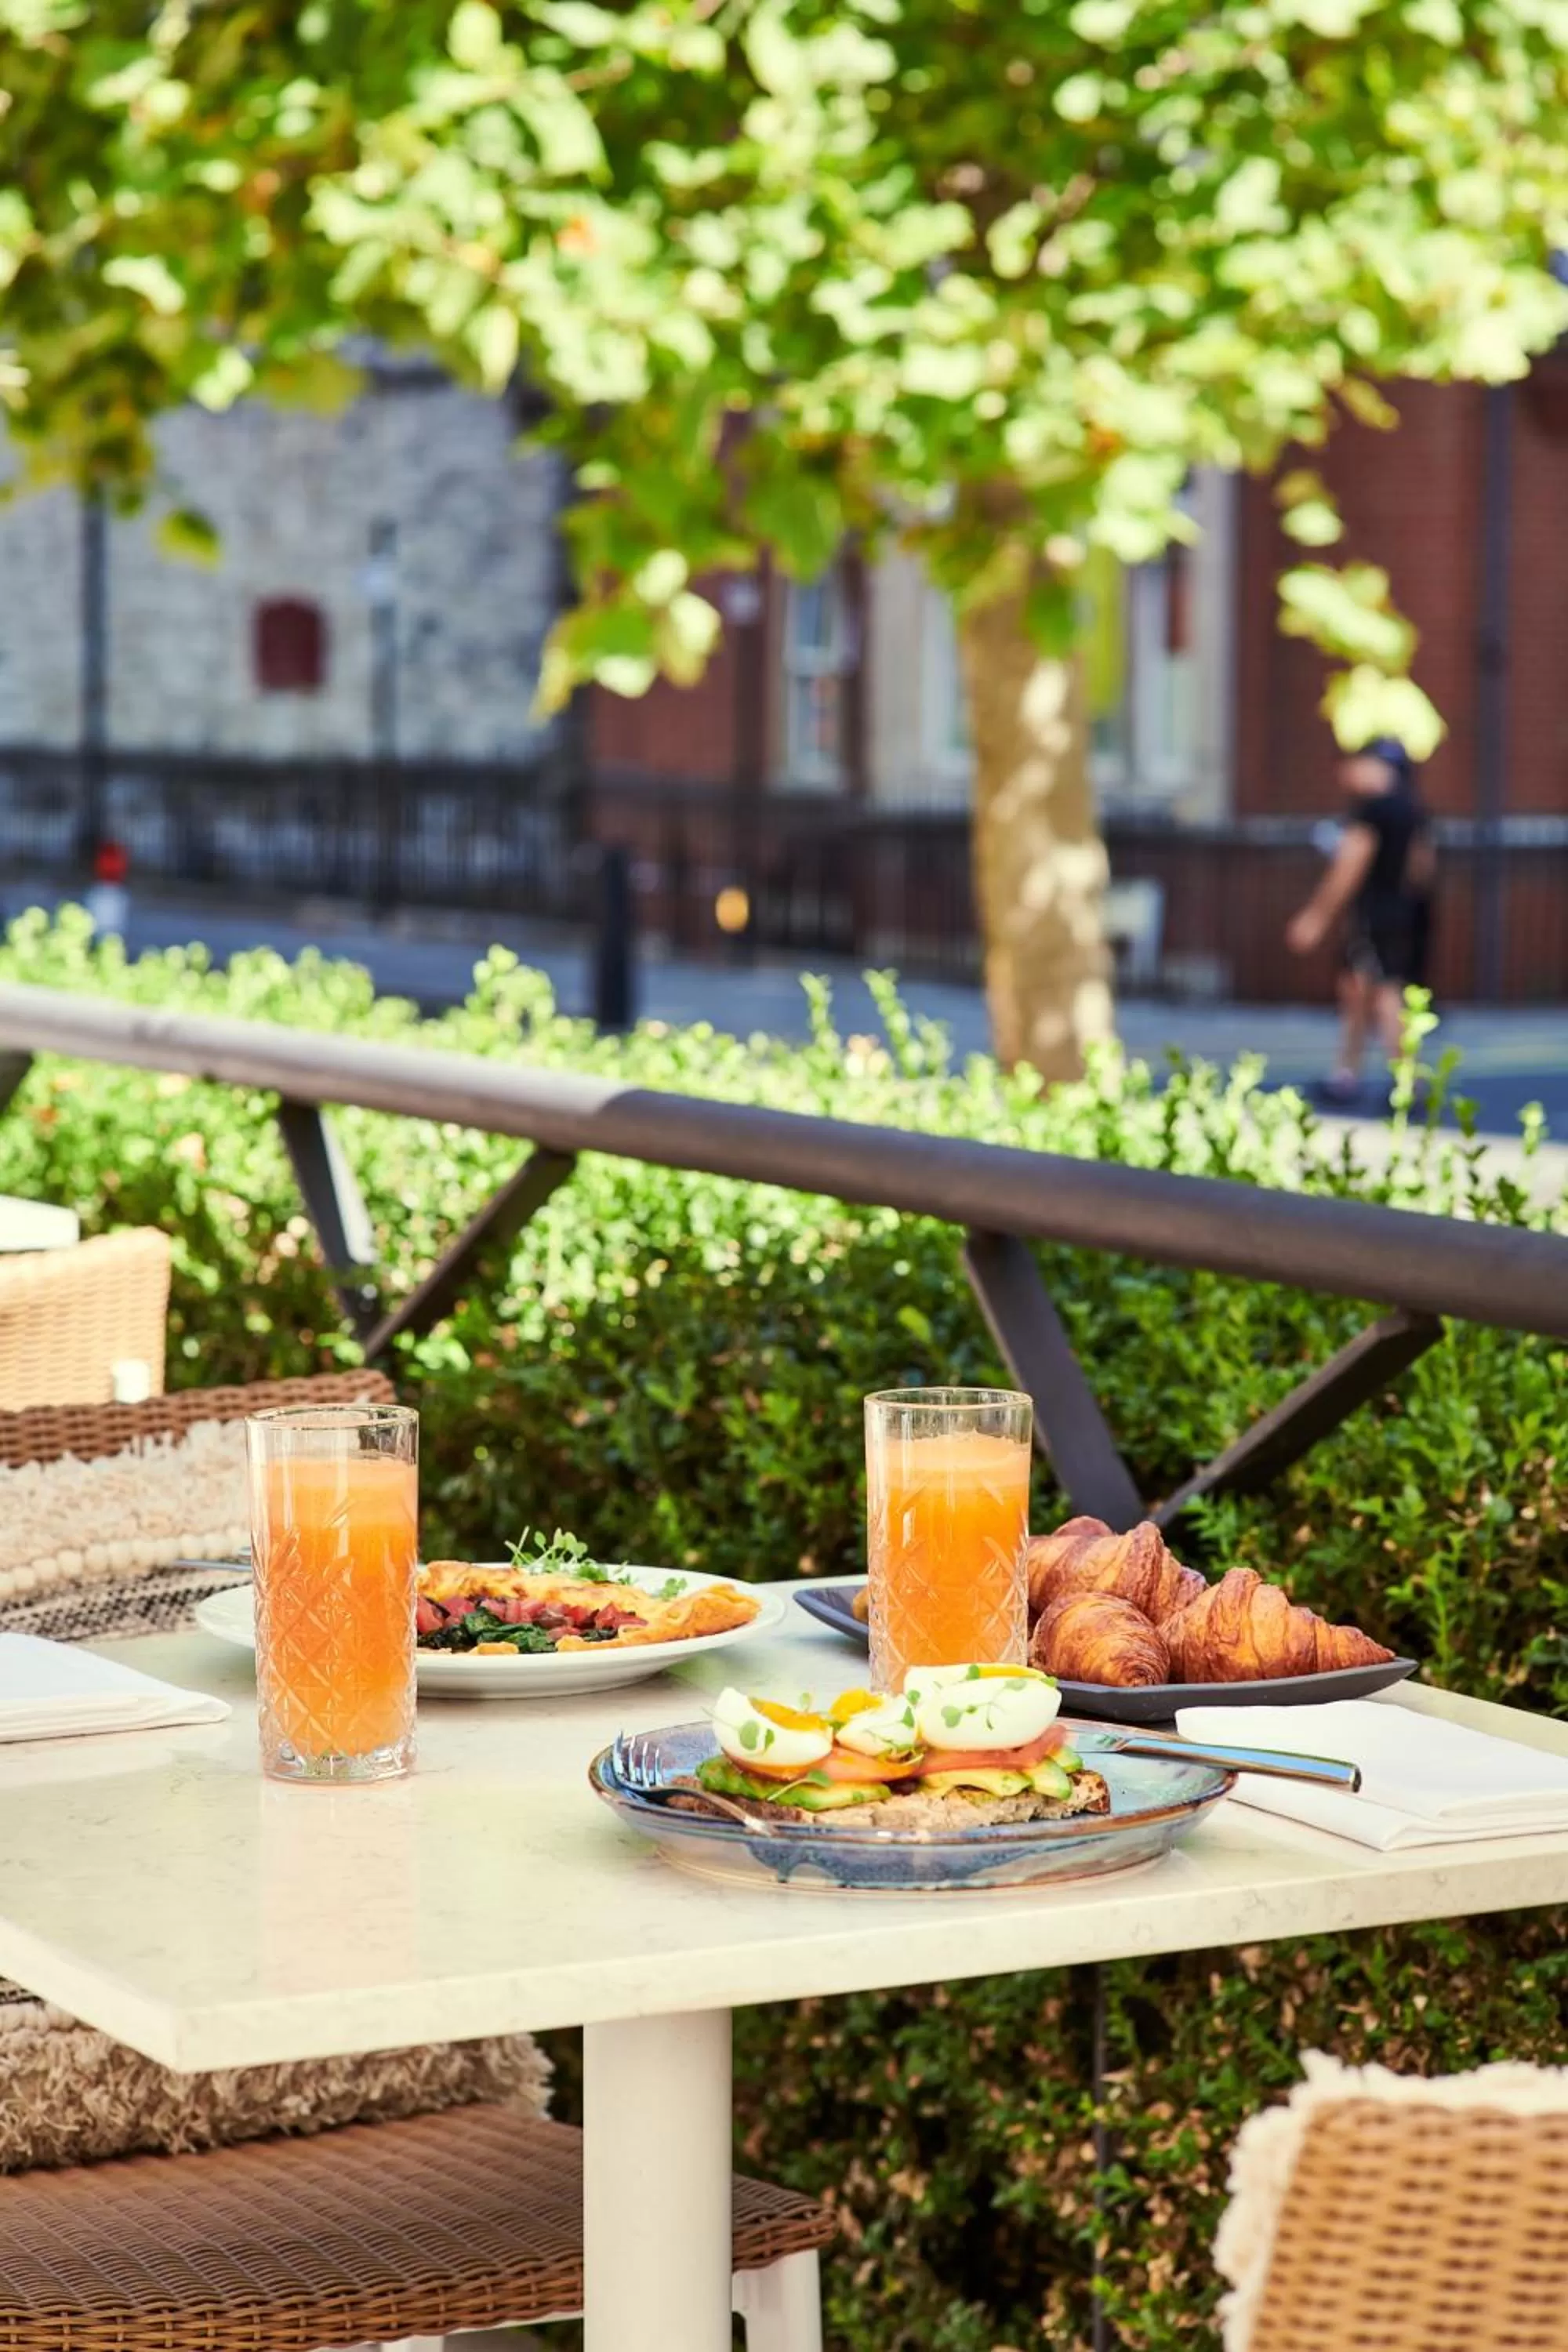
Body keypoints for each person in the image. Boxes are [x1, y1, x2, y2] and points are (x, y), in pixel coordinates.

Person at [1285, 738, 1435, 1107]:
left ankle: (1406, 1081)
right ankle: (1346, 1074)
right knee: (1356, 990)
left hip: (1375, 915)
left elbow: (1349, 866)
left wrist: (1316, 917)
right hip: (1403, 913)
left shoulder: (1372, 812)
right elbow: (1422, 869)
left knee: (1384, 994)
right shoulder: (1414, 810)